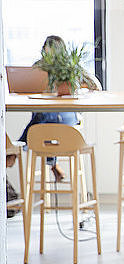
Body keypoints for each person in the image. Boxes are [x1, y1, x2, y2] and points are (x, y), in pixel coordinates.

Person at [18, 35, 79, 181]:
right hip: (45, 121)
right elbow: (28, 85)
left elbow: (94, 84)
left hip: (66, 118)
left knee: (41, 117)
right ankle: (52, 164)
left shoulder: (69, 67)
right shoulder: (39, 67)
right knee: (41, 115)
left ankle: (19, 146)